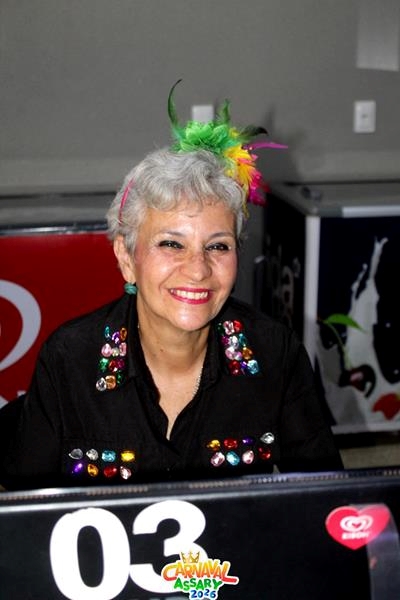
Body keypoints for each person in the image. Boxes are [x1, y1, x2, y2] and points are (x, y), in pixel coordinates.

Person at [0, 82, 342, 490]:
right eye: (171, 244)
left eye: (218, 246)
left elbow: (328, 500)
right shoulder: (70, 358)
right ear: (127, 258)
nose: (197, 269)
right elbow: (28, 510)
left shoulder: (275, 354)